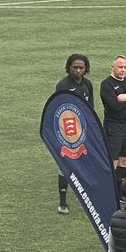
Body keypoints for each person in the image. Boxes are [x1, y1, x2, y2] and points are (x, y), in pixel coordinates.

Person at [54, 53, 94, 214]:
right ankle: (63, 201)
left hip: (83, 131)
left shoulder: (88, 84)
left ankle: (86, 198)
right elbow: (58, 110)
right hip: (67, 132)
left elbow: (90, 108)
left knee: (85, 163)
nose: (78, 70)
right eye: (75, 67)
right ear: (69, 68)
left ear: (86, 69)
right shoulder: (62, 85)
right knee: (64, 165)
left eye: (81, 68)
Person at [100, 56, 126, 202]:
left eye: (125, 67)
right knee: (113, 162)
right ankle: (109, 192)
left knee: (124, 161)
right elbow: (114, 107)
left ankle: (120, 192)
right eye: (120, 67)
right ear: (113, 67)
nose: (123, 70)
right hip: (113, 127)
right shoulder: (106, 84)